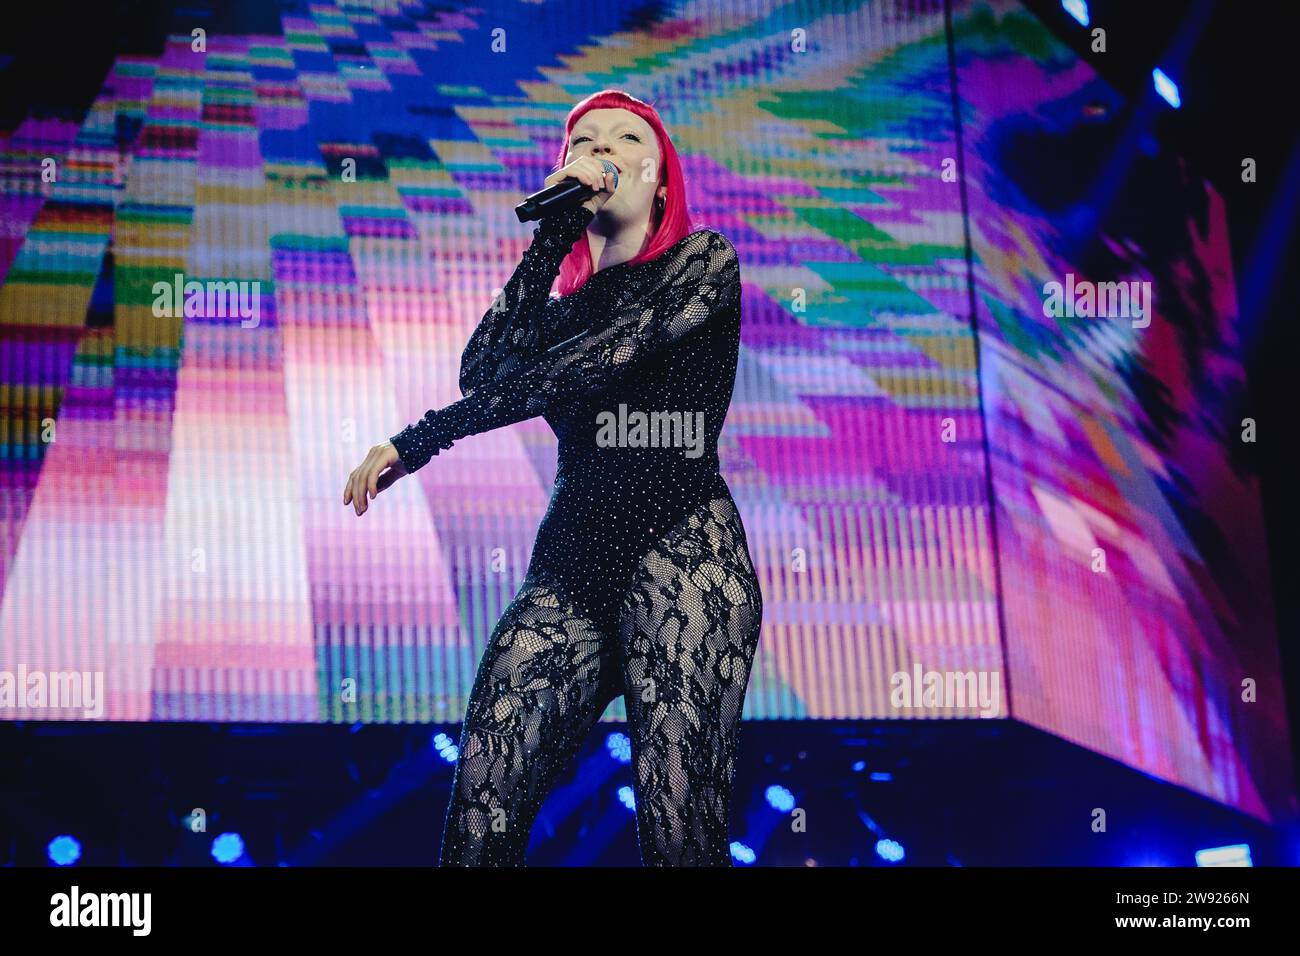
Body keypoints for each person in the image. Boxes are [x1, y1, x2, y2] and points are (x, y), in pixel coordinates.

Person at [342, 90, 763, 866]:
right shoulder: (570, 308)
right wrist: (555, 232)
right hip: (572, 565)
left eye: (624, 139)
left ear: (660, 177)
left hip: (684, 557)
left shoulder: (704, 263)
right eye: (583, 142)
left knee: (679, 835)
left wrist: (420, 440)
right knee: (482, 809)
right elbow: (485, 369)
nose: (601, 152)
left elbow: (594, 362)